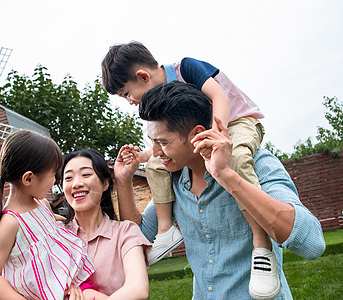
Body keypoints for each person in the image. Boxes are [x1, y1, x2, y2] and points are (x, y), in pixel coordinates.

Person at [114, 81, 326, 299]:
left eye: (163, 142)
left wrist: (227, 176)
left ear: (196, 134)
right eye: (152, 142)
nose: (156, 153)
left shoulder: (256, 164)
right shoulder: (173, 180)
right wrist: (123, 181)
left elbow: (312, 245)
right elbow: (138, 236)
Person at [101, 41, 273, 297]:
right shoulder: (164, 105)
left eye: (126, 94)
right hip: (204, 135)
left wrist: (217, 135)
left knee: (235, 158)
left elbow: (219, 98)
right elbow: (174, 140)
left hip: (236, 122)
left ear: (143, 76)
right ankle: (165, 229)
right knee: (156, 166)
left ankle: (261, 243)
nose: (129, 102)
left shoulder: (186, 69)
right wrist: (145, 157)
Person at [0, 130, 102, 300]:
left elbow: (48, 235)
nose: (54, 181)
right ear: (28, 179)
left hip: (74, 284)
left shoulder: (42, 205)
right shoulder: (11, 223)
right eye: (52, 174)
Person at [60, 149, 151, 299]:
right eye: (68, 178)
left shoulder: (125, 232)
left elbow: (138, 288)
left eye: (86, 175)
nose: (76, 184)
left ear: (105, 183)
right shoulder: (55, 234)